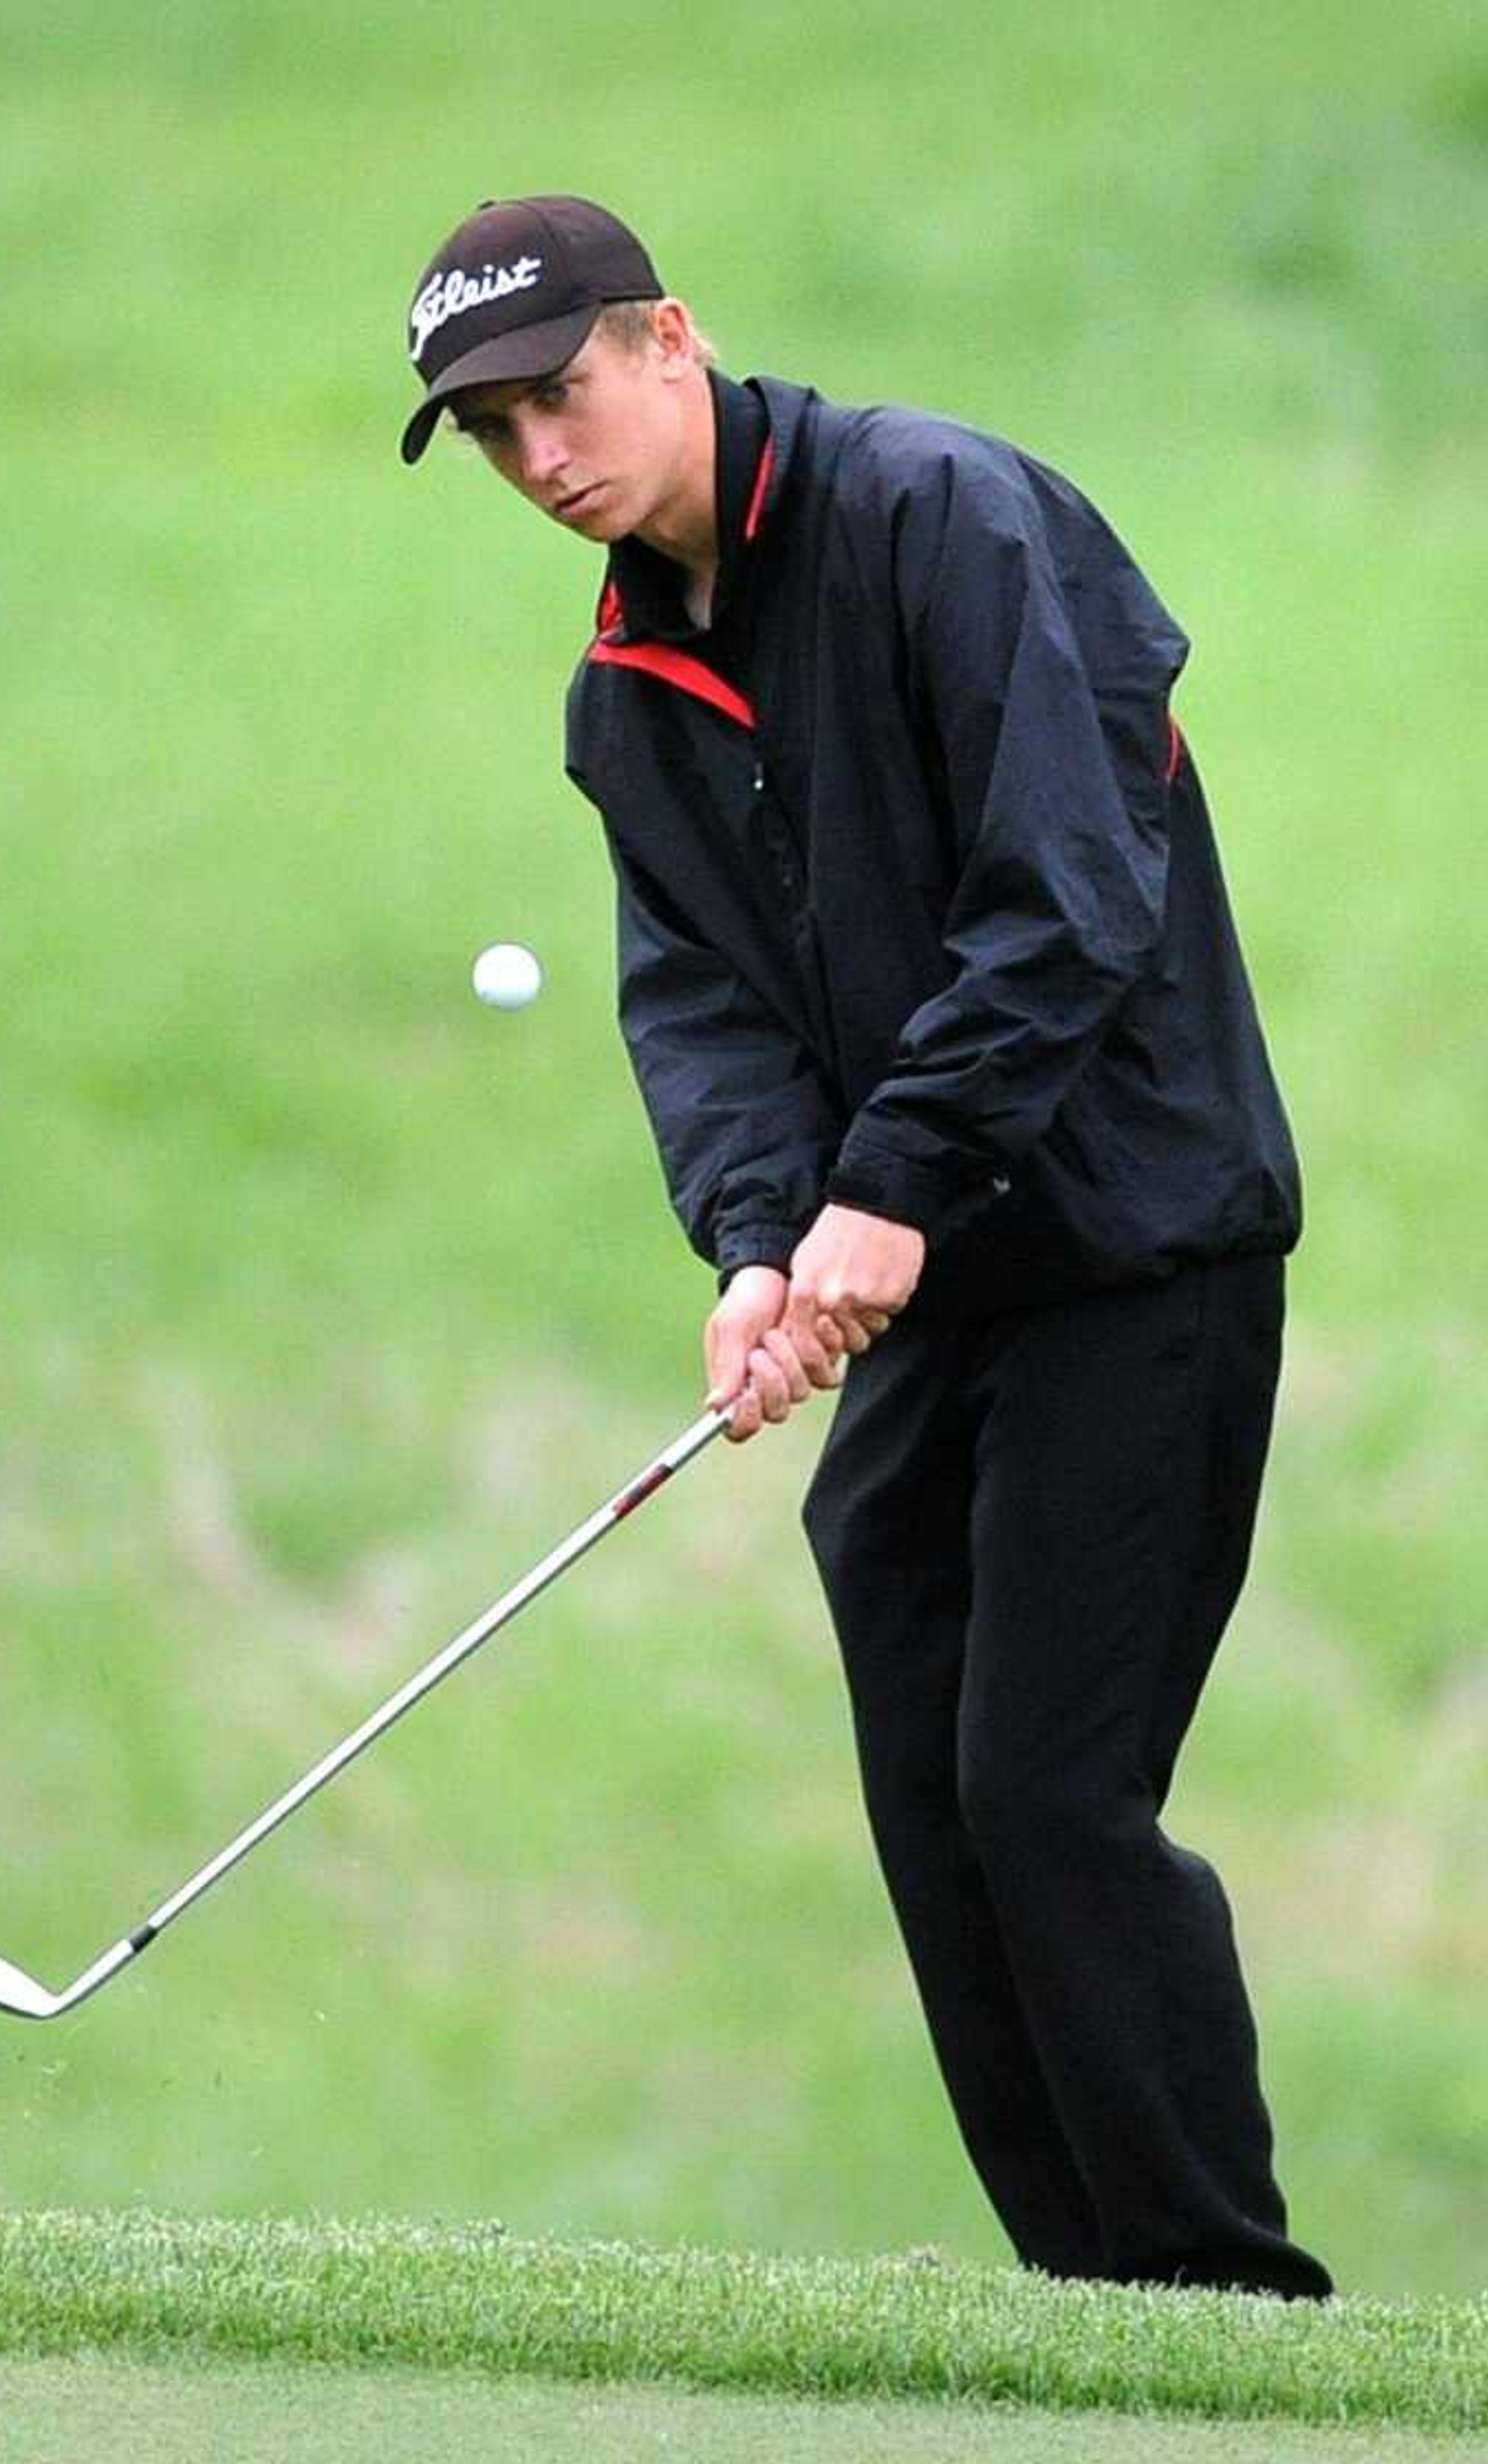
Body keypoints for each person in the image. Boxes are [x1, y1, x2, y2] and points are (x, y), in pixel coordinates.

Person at [399, 194, 1334, 2300]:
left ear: (670, 342)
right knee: (934, 1797)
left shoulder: (946, 518)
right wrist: (755, 1241)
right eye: (490, 433)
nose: (541, 457)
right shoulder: (627, 688)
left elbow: (1069, 896)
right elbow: (704, 1008)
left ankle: (1218, 2299)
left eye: (559, 396)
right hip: (924, 1292)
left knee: (1047, 1785)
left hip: (1136, 1254)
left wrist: (885, 1186)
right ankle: (1088, 2302)